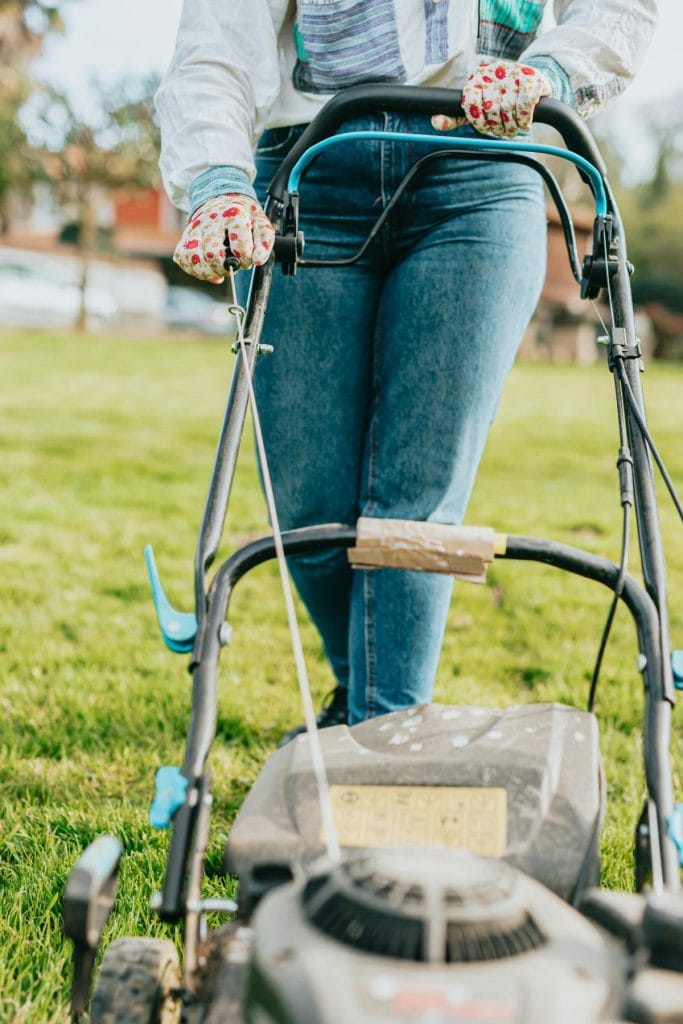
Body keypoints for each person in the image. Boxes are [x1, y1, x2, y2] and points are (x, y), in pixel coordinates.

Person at [156, 1, 656, 737]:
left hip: (481, 176)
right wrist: (215, 182)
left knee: (413, 504)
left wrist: (550, 71)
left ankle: (380, 738)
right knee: (309, 513)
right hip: (310, 171)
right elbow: (217, 40)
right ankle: (367, 706)